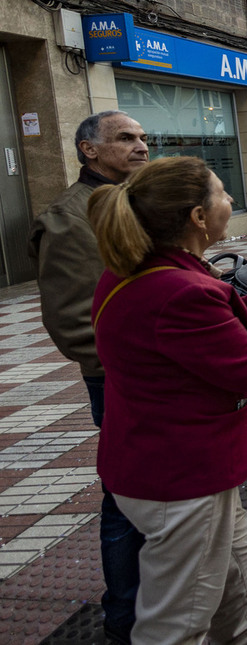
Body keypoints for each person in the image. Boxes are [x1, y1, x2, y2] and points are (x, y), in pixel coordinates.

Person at [88, 155, 247, 644]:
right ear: (198, 218)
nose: (232, 200)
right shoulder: (177, 289)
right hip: (181, 481)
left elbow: (217, 334)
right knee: (178, 623)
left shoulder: (148, 273)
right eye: (222, 192)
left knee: (232, 591)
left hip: (180, 469)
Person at [27, 110, 148, 644]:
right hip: (123, 381)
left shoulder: (136, 201)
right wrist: (133, 367)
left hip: (160, 376)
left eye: (144, 137)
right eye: (126, 138)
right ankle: (123, 617)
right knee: (124, 499)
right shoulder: (70, 217)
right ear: (88, 151)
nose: (141, 146)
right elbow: (73, 322)